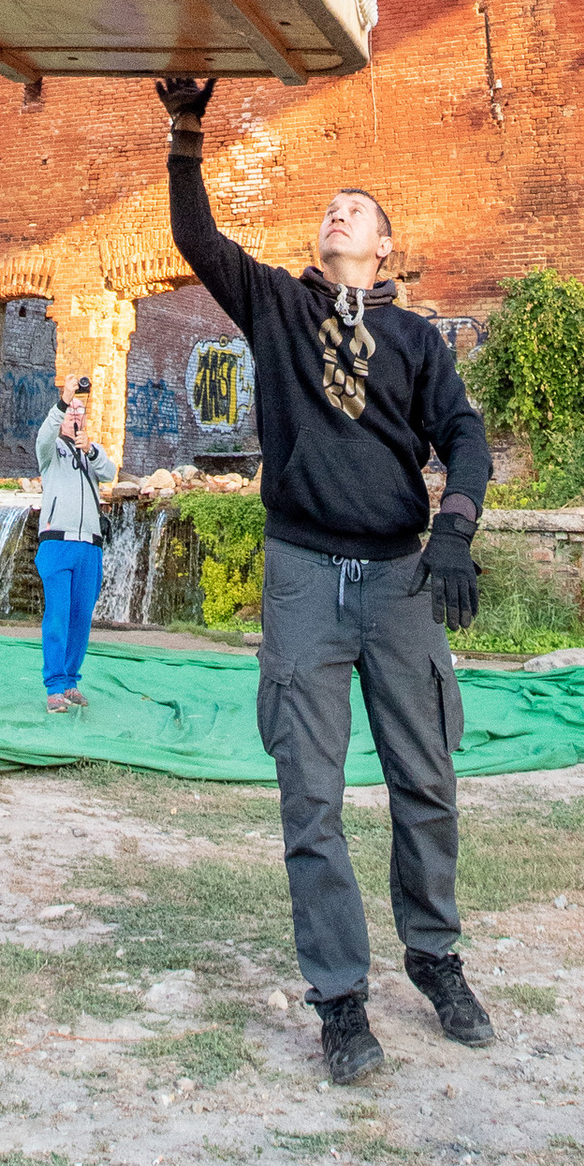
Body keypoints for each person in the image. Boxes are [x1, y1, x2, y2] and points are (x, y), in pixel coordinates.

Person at [154, 74, 496, 1086]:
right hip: (303, 577)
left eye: (360, 210)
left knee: (424, 782)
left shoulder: (413, 339)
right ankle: (340, 1003)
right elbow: (196, 239)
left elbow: (466, 437)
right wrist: (186, 133)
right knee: (310, 797)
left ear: (384, 245)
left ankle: (434, 960)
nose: (337, 211)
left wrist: (455, 531)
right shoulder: (275, 305)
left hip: (398, 585)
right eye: (330, 208)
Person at [32, 376, 113, 711]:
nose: (75, 416)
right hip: (57, 542)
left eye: (80, 412)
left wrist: (90, 450)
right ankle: (53, 686)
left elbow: (109, 472)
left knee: (81, 616)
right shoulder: (51, 451)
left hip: (89, 546)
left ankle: (70, 681)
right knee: (58, 614)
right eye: (70, 412)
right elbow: (44, 436)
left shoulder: (90, 452)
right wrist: (64, 401)